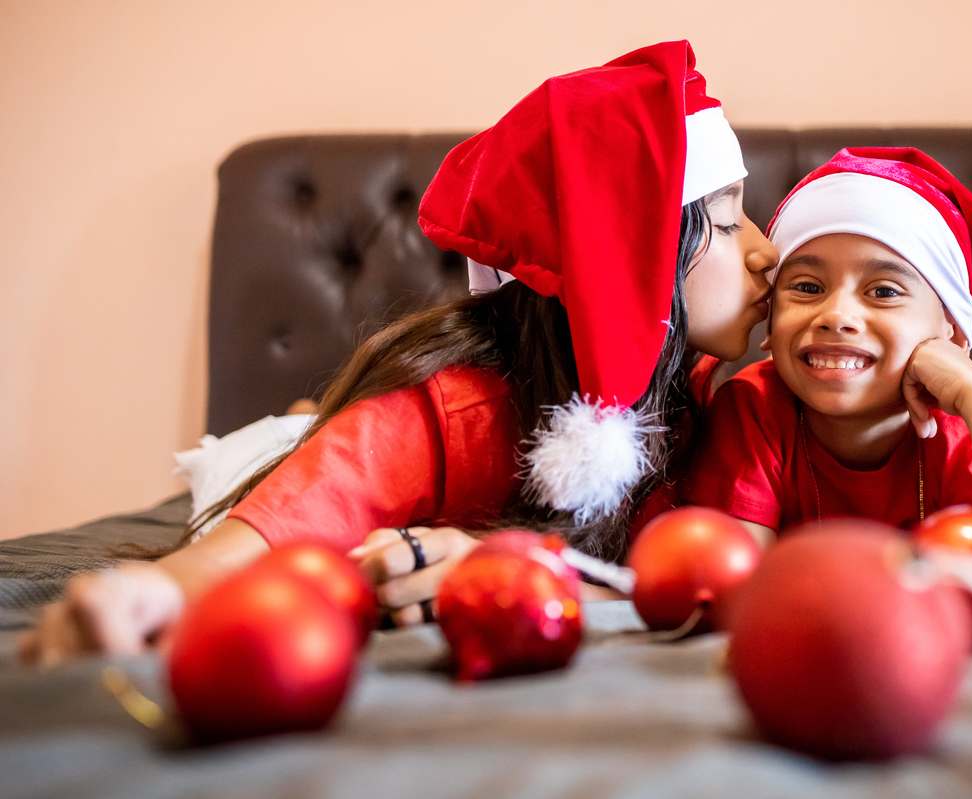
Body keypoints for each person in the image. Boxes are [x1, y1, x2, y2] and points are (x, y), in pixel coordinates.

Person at [20, 40, 778, 664]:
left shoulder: (703, 393)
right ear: (625, 259)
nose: (765, 253)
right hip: (325, 448)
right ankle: (301, 419)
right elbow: (264, 536)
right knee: (276, 449)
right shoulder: (449, 410)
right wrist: (149, 596)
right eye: (724, 220)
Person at [683, 147, 972, 617]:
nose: (837, 316)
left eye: (883, 292)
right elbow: (732, 592)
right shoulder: (751, 409)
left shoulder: (962, 434)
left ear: (950, 331)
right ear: (770, 325)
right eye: (807, 287)